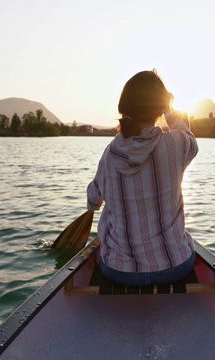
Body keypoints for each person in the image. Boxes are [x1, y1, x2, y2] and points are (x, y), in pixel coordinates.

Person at [87, 70, 199, 286]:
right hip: (175, 267)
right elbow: (187, 134)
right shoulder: (177, 144)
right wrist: (169, 109)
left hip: (119, 271)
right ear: (161, 109)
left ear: (124, 107)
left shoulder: (110, 154)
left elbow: (94, 199)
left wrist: (94, 205)